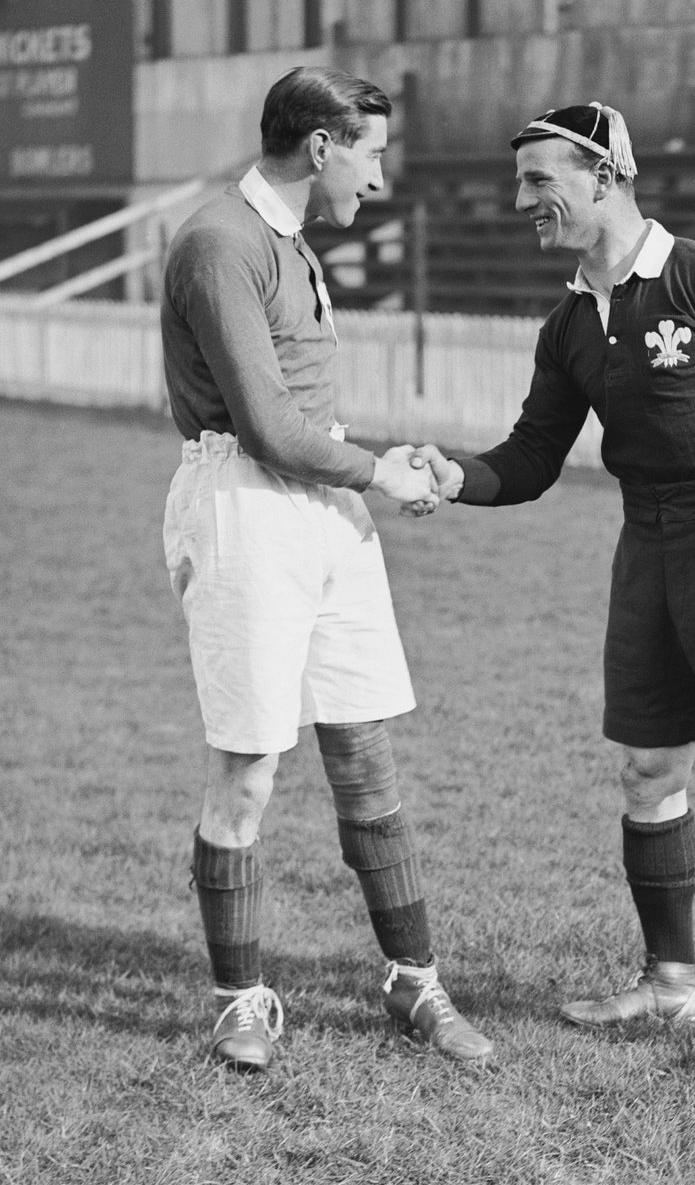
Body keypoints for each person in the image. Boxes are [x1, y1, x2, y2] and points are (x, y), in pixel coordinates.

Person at [409, 102, 695, 1071]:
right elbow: (531, 456)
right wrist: (453, 477)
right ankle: (671, 982)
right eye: (521, 182)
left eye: (539, 180)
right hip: (647, 553)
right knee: (649, 773)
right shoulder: (569, 324)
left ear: (604, 176)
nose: (523, 200)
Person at [160, 66, 492, 1071]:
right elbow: (265, 428)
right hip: (246, 507)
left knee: (362, 749)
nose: (379, 178)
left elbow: (304, 420)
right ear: (320, 147)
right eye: (371, 155)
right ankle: (239, 1000)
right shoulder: (220, 243)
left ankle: (413, 981)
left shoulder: (292, 242)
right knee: (249, 767)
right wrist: (382, 472)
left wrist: (373, 467)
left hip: (321, 506)